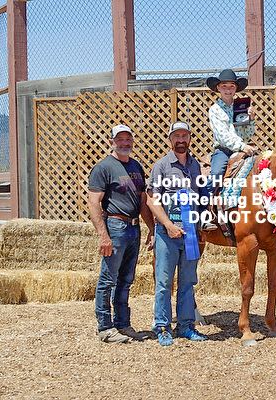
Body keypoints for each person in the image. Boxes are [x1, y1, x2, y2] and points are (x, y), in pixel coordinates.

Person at [88, 124, 155, 343]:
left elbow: (143, 201)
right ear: (111, 142)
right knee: (108, 279)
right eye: (120, 140)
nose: (125, 143)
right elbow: (93, 202)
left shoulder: (136, 166)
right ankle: (105, 328)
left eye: (128, 139)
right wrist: (103, 235)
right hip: (115, 226)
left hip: (134, 228)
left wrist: (151, 228)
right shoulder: (103, 168)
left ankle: (123, 324)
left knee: (126, 280)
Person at [146, 121, 209, 346]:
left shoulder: (195, 166)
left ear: (190, 138)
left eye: (184, 136)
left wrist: (200, 227)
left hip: (190, 234)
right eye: (176, 136)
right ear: (170, 139)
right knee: (164, 283)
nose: (181, 140)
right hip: (167, 234)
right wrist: (168, 225)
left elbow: (200, 199)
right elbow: (152, 200)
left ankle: (185, 326)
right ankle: (162, 327)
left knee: (188, 282)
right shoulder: (161, 166)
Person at [206, 68, 257, 185]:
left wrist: (251, 120)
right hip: (223, 151)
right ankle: (205, 196)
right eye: (224, 86)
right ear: (218, 88)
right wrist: (242, 146)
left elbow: (247, 135)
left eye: (232, 86)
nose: (228, 90)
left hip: (242, 149)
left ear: (236, 88)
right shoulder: (215, 109)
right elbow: (222, 136)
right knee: (216, 175)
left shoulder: (241, 107)